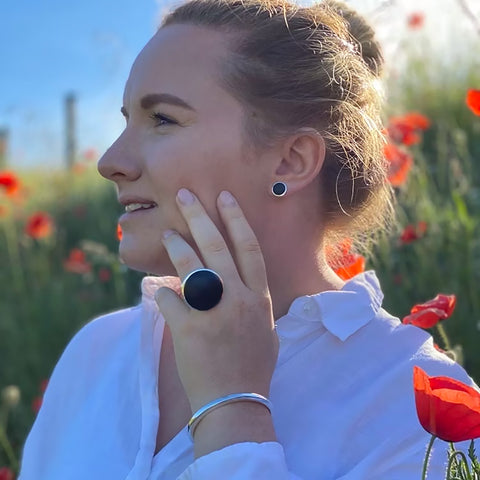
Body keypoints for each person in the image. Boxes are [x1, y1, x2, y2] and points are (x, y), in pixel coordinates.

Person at [19, 0, 477, 479]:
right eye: (126, 120)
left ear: (291, 161)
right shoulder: (98, 350)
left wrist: (232, 411)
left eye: (162, 119)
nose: (110, 161)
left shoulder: (413, 405)